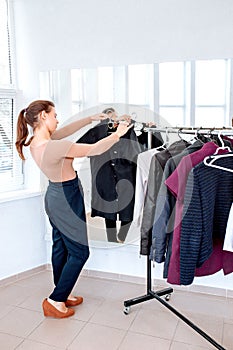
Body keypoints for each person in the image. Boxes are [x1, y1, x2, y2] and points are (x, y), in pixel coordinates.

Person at [15, 100, 132, 318]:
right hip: (66, 198)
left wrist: (90, 119)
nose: (57, 120)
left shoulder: (36, 142)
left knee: (60, 245)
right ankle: (56, 300)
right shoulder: (54, 146)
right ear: (43, 116)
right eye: (54, 115)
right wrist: (118, 133)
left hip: (55, 196)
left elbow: (63, 132)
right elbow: (95, 149)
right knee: (80, 252)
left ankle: (62, 292)